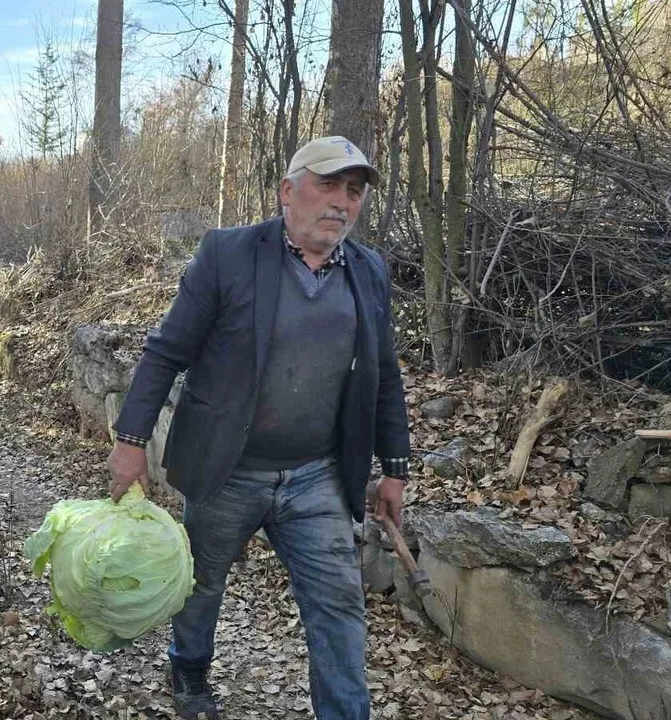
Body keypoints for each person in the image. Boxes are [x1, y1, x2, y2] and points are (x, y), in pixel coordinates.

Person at [107, 136, 412, 720]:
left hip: (317, 476)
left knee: (339, 606)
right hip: (229, 470)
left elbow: (385, 375)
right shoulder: (229, 254)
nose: (341, 203)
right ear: (286, 192)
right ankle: (190, 672)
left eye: (353, 191)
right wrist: (131, 443)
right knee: (201, 586)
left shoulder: (368, 270)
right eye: (327, 185)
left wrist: (394, 469)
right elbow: (166, 352)